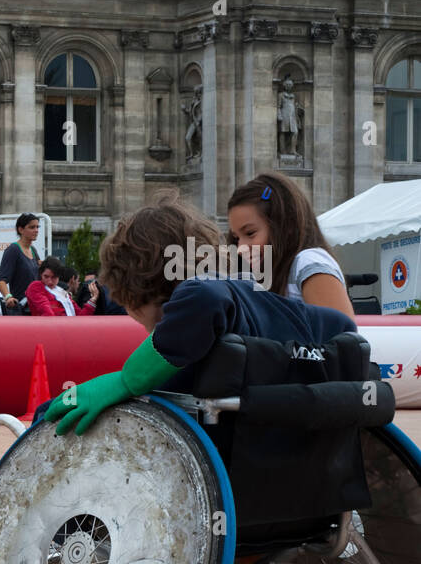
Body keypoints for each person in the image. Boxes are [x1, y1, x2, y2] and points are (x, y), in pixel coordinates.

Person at [44, 196, 356, 436]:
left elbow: (204, 296)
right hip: (312, 493)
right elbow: (342, 327)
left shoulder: (206, 300)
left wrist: (129, 380)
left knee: (54, 414)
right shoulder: (266, 307)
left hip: (224, 492)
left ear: (136, 298)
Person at [227, 171, 354, 317]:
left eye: (250, 233)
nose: (240, 248)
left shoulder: (308, 262)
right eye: (236, 238)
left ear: (286, 225)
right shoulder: (266, 274)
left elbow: (342, 335)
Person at [0, 213, 41, 311]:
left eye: (37, 227)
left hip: (36, 305)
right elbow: (1, 279)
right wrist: (8, 297)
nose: (36, 230)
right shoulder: (13, 249)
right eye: (32, 227)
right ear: (21, 229)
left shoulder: (33, 250)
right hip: (22, 307)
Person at [26, 258, 96, 317]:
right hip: (50, 330)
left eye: (54, 277)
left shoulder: (62, 293)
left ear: (59, 277)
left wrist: (93, 299)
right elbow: (47, 313)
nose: (49, 281)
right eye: (46, 276)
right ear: (41, 274)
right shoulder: (36, 286)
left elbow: (81, 317)